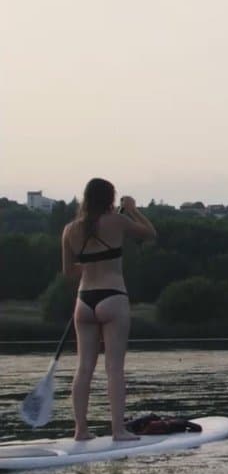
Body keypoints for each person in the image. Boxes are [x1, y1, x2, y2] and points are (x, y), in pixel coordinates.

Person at [60, 178, 157, 441]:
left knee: (84, 369)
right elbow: (150, 234)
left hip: (84, 301)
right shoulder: (118, 221)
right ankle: (118, 430)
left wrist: (92, 266)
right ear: (110, 199)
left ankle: (80, 430)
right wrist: (134, 209)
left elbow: (69, 272)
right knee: (114, 368)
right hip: (113, 297)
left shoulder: (70, 229)